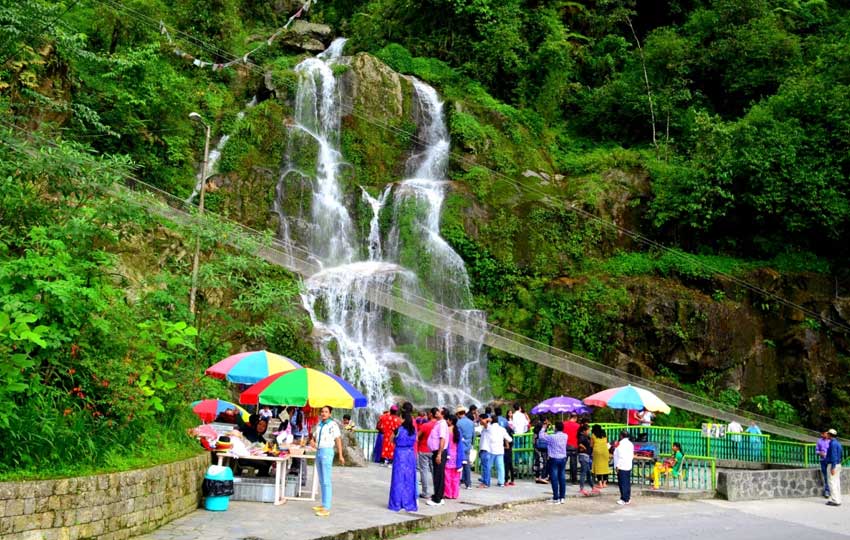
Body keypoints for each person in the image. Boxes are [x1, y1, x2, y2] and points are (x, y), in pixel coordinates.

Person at [310, 405, 344, 517]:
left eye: (326, 412)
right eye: (322, 412)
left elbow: (338, 439)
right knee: (321, 479)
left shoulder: (333, 425)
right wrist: (312, 442)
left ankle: (327, 508)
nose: (323, 413)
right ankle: (324, 504)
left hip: (327, 452)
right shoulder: (319, 425)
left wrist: (340, 455)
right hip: (319, 451)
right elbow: (314, 438)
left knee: (326, 480)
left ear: (330, 414)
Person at [388, 412, 418, 512]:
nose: (399, 419)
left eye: (401, 418)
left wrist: (397, 443)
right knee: (409, 478)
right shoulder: (413, 430)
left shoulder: (398, 430)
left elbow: (390, 439)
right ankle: (408, 502)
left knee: (398, 478)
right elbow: (416, 440)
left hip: (399, 454)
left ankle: (396, 502)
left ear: (404, 419)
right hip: (410, 454)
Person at [538, 420, 568, 504]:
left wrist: (544, 427)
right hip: (563, 458)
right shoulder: (565, 436)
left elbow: (541, 436)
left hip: (554, 458)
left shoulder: (552, 437)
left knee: (554, 478)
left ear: (556, 428)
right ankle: (562, 497)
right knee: (562, 477)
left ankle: (556, 497)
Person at [426, 407, 449, 506]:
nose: (436, 412)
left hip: (439, 452)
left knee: (438, 475)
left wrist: (439, 453)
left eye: (439, 411)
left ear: (442, 414)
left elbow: (442, 439)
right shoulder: (439, 423)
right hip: (437, 451)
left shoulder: (442, 424)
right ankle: (438, 495)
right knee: (438, 474)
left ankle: (437, 499)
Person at [417, 408, 437, 499]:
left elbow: (417, 437)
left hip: (423, 449)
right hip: (434, 451)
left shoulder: (425, 425)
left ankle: (425, 492)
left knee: (424, 471)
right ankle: (437, 491)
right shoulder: (439, 425)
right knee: (434, 471)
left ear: (431, 415)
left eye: (428, 414)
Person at [444, 414, 464, 499]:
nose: (446, 421)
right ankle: (455, 494)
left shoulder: (447, 430)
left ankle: (448, 493)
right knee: (455, 477)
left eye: (447, 420)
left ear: (450, 421)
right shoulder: (458, 431)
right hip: (456, 455)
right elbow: (460, 445)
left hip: (449, 455)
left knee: (447, 476)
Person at [456, 406, 475, 489]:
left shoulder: (458, 423)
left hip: (460, 446)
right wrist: (472, 443)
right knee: (467, 465)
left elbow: (457, 435)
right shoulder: (471, 422)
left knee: (457, 464)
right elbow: (473, 435)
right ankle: (468, 484)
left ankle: (457, 482)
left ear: (458, 414)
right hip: (468, 445)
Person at [613, 430, 634, 505]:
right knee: (627, 482)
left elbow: (620, 456)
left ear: (621, 436)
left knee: (622, 483)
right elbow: (631, 455)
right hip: (628, 465)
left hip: (621, 465)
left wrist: (618, 465)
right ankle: (627, 498)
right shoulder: (630, 444)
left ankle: (624, 499)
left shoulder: (620, 444)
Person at [826, 428, 843, 507]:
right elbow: (841, 454)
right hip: (838, 464)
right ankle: (838, 499)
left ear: (830, 435)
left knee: (832, 482)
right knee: (837, 482)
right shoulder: (838, 443)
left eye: (828, 434)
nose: (827, 435)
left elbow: (833, 456)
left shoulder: (832, 444)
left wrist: (833, 467)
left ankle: (835, 500)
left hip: (833, 464)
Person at [591, 424, 610, 491]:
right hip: (605, 451)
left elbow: (591, 444)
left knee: (598, 467)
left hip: (597, 451)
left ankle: (600, 484)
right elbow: (607, 442)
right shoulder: (604, 434)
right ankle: (604, 483)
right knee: (605, 467)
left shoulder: (593, 435)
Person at [577, 424, 594, 495]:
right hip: (583, 455)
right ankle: (581, 488)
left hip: (587, 456)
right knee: (583, 472)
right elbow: (579, 444)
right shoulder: (582, 436)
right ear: (584, 431)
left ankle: (592, 486)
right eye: (588, 430)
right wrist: (584, 448)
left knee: (588, 473)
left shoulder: (587, 437)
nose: (589, 431)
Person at [564, 413, 580, 484]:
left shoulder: (564, 424)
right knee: (573, 464)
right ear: (575, 418)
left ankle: (560, 477)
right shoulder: (578, 426)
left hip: (565, 446)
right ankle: (574, 480)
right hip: (574, 446)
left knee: (563, 463)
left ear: (569, 417)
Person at [533, 419, 550, 484]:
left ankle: (537, 476)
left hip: (537, 448)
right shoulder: (542, 432)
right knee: (543, 462)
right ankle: (542, 477)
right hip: (542, 448)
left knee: (538, 462)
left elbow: (533, 441)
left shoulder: (536, 433)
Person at [817, 429, 832, 499]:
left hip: (829, 461)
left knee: (830, 476)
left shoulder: (831, 441)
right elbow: (817, 450)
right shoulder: (819, 441)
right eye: (825, 434)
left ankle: (829, 490)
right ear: (822, 434)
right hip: (822, 460)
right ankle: (827, 491)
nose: (826, 435)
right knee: (825, 476)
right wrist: (820, 453)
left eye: (827, 434)